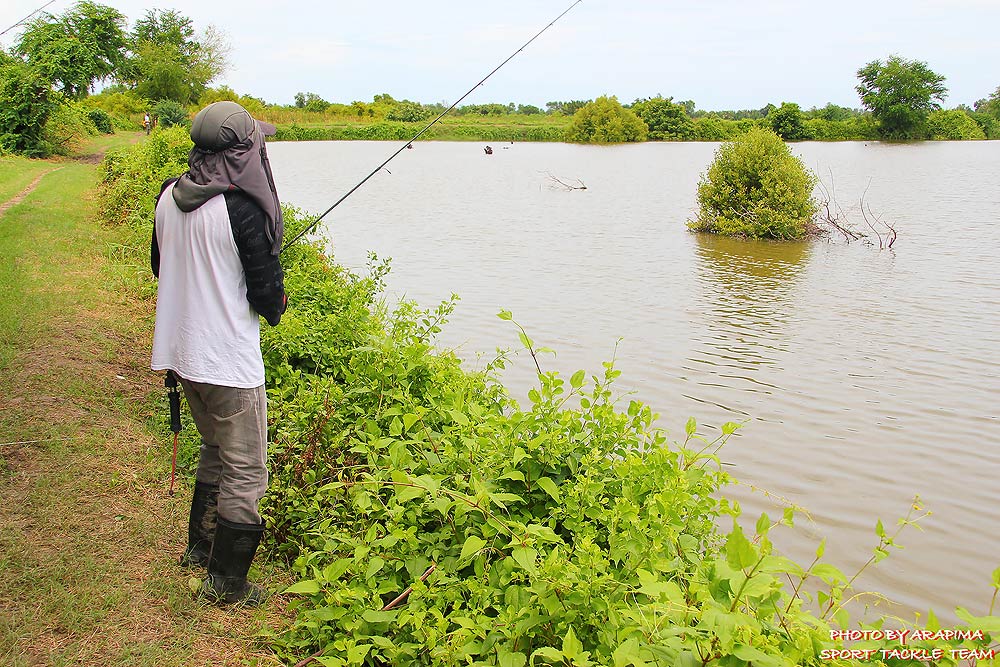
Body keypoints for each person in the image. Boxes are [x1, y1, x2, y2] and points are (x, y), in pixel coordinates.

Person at [150, 101, 287, 605]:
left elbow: (160, 264)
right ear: (244, 151)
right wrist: (276, 296)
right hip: (228, 361)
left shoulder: (168, 195)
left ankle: (199, 549)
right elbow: (268, 300)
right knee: (248, 469)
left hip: (182, 353)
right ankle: (227, 584)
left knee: (214, 449)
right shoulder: (242, 209)